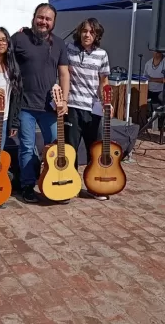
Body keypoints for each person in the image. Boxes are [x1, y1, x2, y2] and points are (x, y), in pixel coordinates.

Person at [0, 3, 70, 203]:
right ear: (33, 17)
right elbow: (0, 50)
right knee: (27, 146)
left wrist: (64, 101)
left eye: (48, 19)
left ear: (53, 22)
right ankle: (27, 186)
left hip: (50, 106)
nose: (43, 21)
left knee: (56, 147)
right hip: (24, 106)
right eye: (40, 17)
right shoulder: (19, 38)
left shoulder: (60, 44)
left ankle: (55, 182)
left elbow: (64, 73)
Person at [65, 18, 111, 199]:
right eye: (84, 31)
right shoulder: (69, 48)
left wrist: (106, 101)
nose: (87, 35)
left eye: (92, 32)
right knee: (70, 150)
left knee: (95, 149)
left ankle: (94, 185)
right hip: (72, 106)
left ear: (97, 35)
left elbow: (104, 81)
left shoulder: (102, 54)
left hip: (94, 109)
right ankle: (70, 185)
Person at [144, 50, 165, 130]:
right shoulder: (148, 63)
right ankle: (144, 119)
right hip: (151, 90)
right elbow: (145, 78)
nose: (157, 52)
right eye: (155, 51)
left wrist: (152, 79)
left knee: (162, 96)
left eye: (159, 51)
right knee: (141, 95)